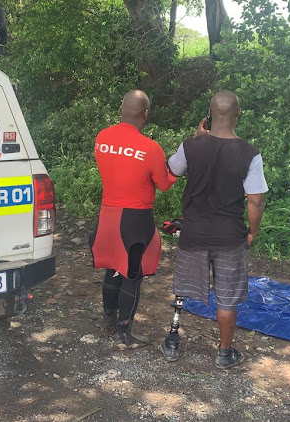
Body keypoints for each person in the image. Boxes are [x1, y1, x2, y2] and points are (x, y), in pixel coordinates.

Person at [159, 90, 268, 369]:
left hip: (194, 235)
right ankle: (224, 352)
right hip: (230, 237)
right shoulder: (250, 154)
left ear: (208, 115)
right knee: (227, 297)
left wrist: (197, 138)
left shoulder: (190, 146)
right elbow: (255, 200)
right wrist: (252, 232)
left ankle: (172, 343)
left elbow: (172, 169)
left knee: (184, 288)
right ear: (238, 114)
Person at [89, 90, 177, 350]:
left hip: (108, 214)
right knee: (132, 274)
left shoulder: (102, 138)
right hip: (136, 218)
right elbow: (164, 184)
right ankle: (124, 334)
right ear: (146, 115)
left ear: (120, 108)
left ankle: (107, 323)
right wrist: (174, 172)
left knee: (112, 267)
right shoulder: (151, 148)